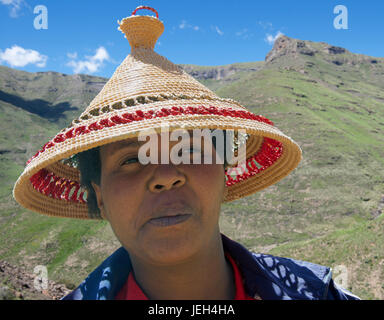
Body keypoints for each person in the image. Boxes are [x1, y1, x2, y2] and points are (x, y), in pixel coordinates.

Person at [13, 6, 359, 300]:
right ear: (99, 197)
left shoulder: (318, 293)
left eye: (190, 150)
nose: (165, 176)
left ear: (224, 173)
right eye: (131, 159)